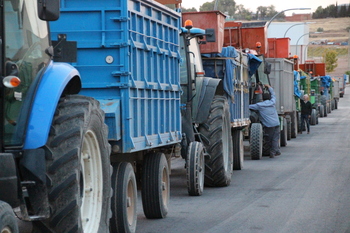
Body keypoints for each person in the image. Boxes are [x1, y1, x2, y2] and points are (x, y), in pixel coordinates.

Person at [249, 84, 281, 158]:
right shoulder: (272, 102)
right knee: (275, 138)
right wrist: (269, 87)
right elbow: (273, 95)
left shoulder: (259, 105)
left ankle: (272, 152)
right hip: (276, 123)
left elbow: (249, 106)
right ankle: (276, 151)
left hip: (269, 125)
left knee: (269, 139)